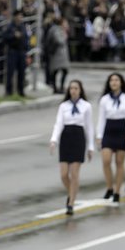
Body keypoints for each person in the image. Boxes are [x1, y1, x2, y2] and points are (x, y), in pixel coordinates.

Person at [49, 80, 94, 215]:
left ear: (80, 90)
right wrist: (54, 140)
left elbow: (89, 127)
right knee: (63, 174)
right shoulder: (63, 106)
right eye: (71, 88)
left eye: (76, 88)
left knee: (74, 173)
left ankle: (71, 203)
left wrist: (90, 146)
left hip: (78, 137)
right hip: (66, 137)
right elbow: (58, 124)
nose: (73, 91)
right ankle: (72, 192)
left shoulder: (86, 106)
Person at [96, 73, 125, 204]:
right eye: (111, 80)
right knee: (106, 160)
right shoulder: (104, 99)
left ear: (121, 83)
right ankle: (109, 187)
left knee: (119, 162)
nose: (114, 82)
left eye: (116, 80)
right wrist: (99, 136)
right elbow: (101, 119)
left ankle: (117, 191)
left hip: (121, 128)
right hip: (109, 128)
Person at [3, 10, 28, 97]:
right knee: (10, 72)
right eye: (19, 16)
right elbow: (5, 38)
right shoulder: (10, 26)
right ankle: (8, 91)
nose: (21, 17)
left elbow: (26, 37)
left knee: (22, 72)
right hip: (13, 52)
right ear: (15, 17)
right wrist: (14, 35)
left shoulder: (23, 26)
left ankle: (21, 91)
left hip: (21, 52)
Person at [47, 17, 70, 94]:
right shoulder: (56, 30)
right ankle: (56, 88)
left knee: (63, 71)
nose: (67, 25)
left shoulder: (58, 29)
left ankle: (59, 87)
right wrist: (65, 34)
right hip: (57, 55)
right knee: (56, 71)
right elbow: (59, 40)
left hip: (61, 55)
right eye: (65, 23)